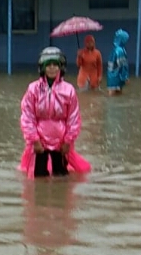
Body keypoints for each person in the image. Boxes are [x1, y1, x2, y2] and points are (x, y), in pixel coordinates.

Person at [18, 47, 92, 179]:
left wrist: (68, 141)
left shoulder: (69, 90)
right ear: (43, 68)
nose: (52, 68)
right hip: (39, 142)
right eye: (48, 65)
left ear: (60, 67)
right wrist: (34, 140)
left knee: (62, 178)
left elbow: (73, 118)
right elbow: (27, 117)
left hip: (61, 142)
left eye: (55, 65)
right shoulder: (33, 89)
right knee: (38, 178)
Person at [107, 29, 130, 96]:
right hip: (117, 76)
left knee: (112, 95)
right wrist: (125, 77)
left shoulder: (115, 49)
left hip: (111, 76)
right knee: (116, 94)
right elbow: (122, 65)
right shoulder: (120, 50)